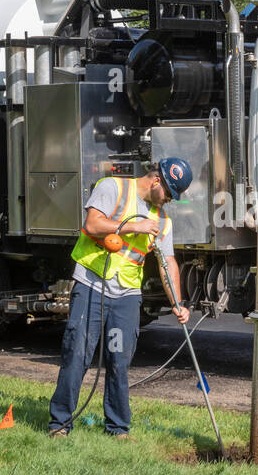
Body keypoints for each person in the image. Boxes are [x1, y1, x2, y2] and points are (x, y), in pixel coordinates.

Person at [47, 158, 193, 439]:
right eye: (168, 194)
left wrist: (178, 303)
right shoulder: (112, 188)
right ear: (156, 181)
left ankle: (117, 427)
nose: (168, 202)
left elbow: (168, 262)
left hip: (126, 294)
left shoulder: (162, 221)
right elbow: (92, 225)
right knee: (78, 353)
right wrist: (133, 227)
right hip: (91, 283)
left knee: (119, 359)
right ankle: (60, 424)